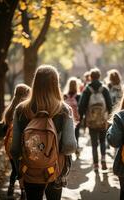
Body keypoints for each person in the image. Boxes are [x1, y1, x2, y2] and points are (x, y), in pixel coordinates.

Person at [11, 65, 77, 200]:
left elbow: (15, 148)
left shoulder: (20, 110)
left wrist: (20, 170)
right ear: (55, 84)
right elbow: (70, 145)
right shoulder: (64, 110)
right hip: (55, 169)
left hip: (30, 169)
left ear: (35, 83)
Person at [78, 68, 112, 171]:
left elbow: (82, 105)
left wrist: (81, 117)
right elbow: (110, 104)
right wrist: (109, 115)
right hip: (102, 119)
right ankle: (103, 159)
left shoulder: (87, 89)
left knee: (94, 143)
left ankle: (96, 164)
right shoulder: (104, 89)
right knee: (102, 140)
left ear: (91, 77)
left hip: (91, 120)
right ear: (99, 76)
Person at [1, 83, 30, 199]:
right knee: (23, 168)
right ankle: (23, 191)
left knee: (14, 168)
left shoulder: (9, 109)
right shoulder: (24, 109)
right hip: (21, 143)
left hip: (9, 143)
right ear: (25, 94)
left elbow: (3, 128)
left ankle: (11, 186)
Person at [63, 77, 81, 157]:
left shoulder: (65, 96)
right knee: (76, 134)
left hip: (67, 118)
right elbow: (81, 107)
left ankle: (69, 152)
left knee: (68, 133)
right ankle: (76, 149)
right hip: (77, 118)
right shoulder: (78, 96)